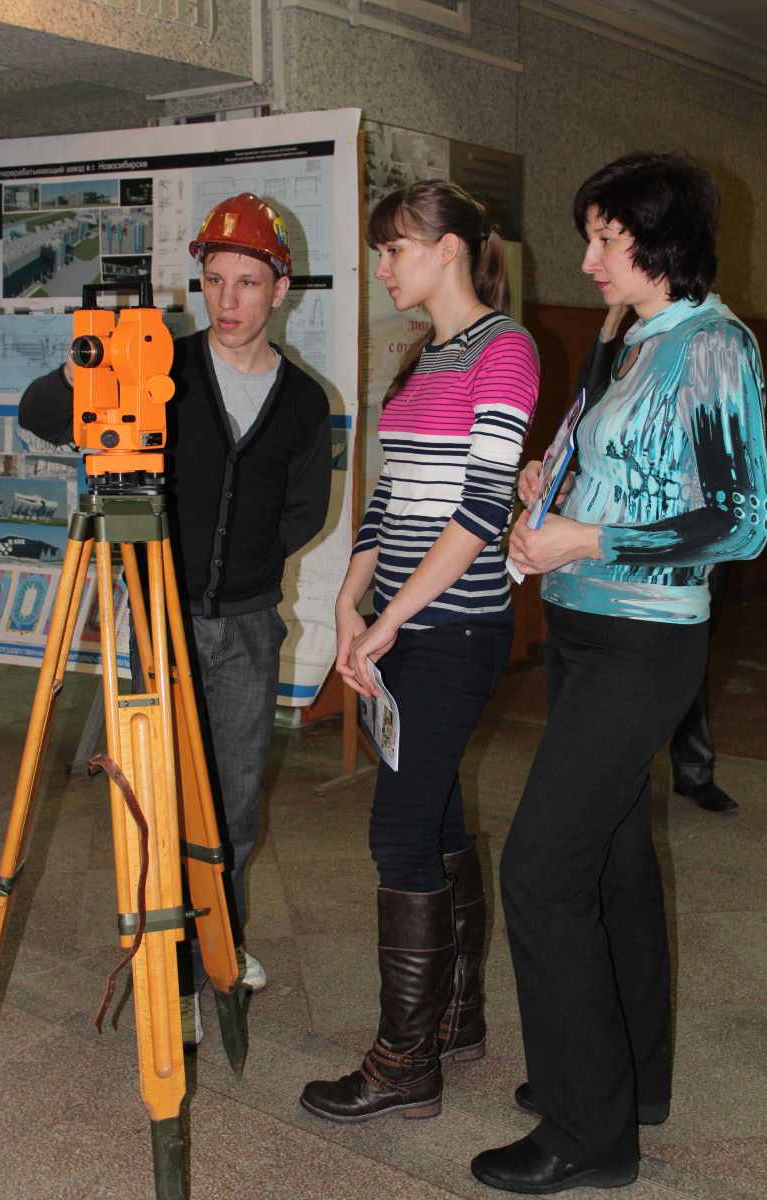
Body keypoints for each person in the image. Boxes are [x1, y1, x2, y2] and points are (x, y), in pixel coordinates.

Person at [470, 153, 767, 1194]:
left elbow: (739, 521)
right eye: (589, 237)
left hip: (641, 639)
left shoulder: (712, 346)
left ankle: (587, 1132)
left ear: (661, 240)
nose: (589, 258)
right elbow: (623, 470)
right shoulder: (631, 337)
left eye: (606, 238)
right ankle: (627, 1080)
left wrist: (585, 538)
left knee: (539, 872)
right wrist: (548, 482)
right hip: (585, 628)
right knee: (612, 861)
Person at [18, 193, 332, 1040]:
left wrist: (245, 567)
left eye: (247, 282)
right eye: (214, 280)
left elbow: (305, 511)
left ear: (280, 289)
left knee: (234, 801)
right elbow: (42, 417)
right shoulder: (160, 365)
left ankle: (218, 944)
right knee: (158, 796)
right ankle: (168, 956)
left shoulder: (305, 402)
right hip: (157, 618)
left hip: (248, 627)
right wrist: (86, 367)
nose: (228, 300)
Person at [300, 180, 539, 1123]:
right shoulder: (423, 357)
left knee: (396, 832)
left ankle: (405, 1063)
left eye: (394, 248)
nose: (381, 265)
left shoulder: (506, 349)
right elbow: (390, 496)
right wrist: (350, 601)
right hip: (402, 625)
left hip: (456, 628)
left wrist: (391, 617)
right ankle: (456, 1019)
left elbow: (480, 510)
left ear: (449, 249)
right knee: (433, 819)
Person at [581, 303, 738, 813]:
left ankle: (693, 768)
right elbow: (586, 404)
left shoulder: (710, 340)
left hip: (693, 532)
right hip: (624, 541)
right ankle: (649, 773)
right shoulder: (634, 341)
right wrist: (610, 326)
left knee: (689, 647)